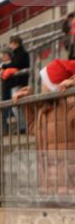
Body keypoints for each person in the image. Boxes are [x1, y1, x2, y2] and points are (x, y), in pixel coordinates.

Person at [17, 59, 75, 195]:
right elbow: (33, 128)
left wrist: (72, 89)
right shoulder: (46, 109)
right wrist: (27, 102)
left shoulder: (69, 105)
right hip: (50, 183)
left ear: (53, 83)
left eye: (44, 81)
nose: (42, 85)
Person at [1, 36, 30, 133]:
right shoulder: (18, 53)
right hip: (18, 82)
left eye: (11, 43)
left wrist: (5, 66)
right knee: (17, 106)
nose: (10, 45)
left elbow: (17, 64)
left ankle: (23, 127)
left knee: (16, 106)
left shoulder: (21, 53)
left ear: (14, 43)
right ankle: (23, 126)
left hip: (19, 82)